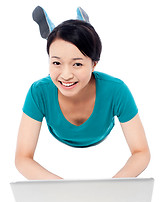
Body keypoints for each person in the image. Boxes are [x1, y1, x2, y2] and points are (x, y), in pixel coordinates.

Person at [15, 7, 150, 180]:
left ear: (94, 64)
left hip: (101, 135)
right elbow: (22, 158)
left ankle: (84, 25)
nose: (65, 75)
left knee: (82, 38)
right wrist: (62, 188)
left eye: (77, 64)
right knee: (64, 40)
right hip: (60, 142)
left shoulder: (116, 89)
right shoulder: (39, 91)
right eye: (56, 63)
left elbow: (141, 152)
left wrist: (112, 187)